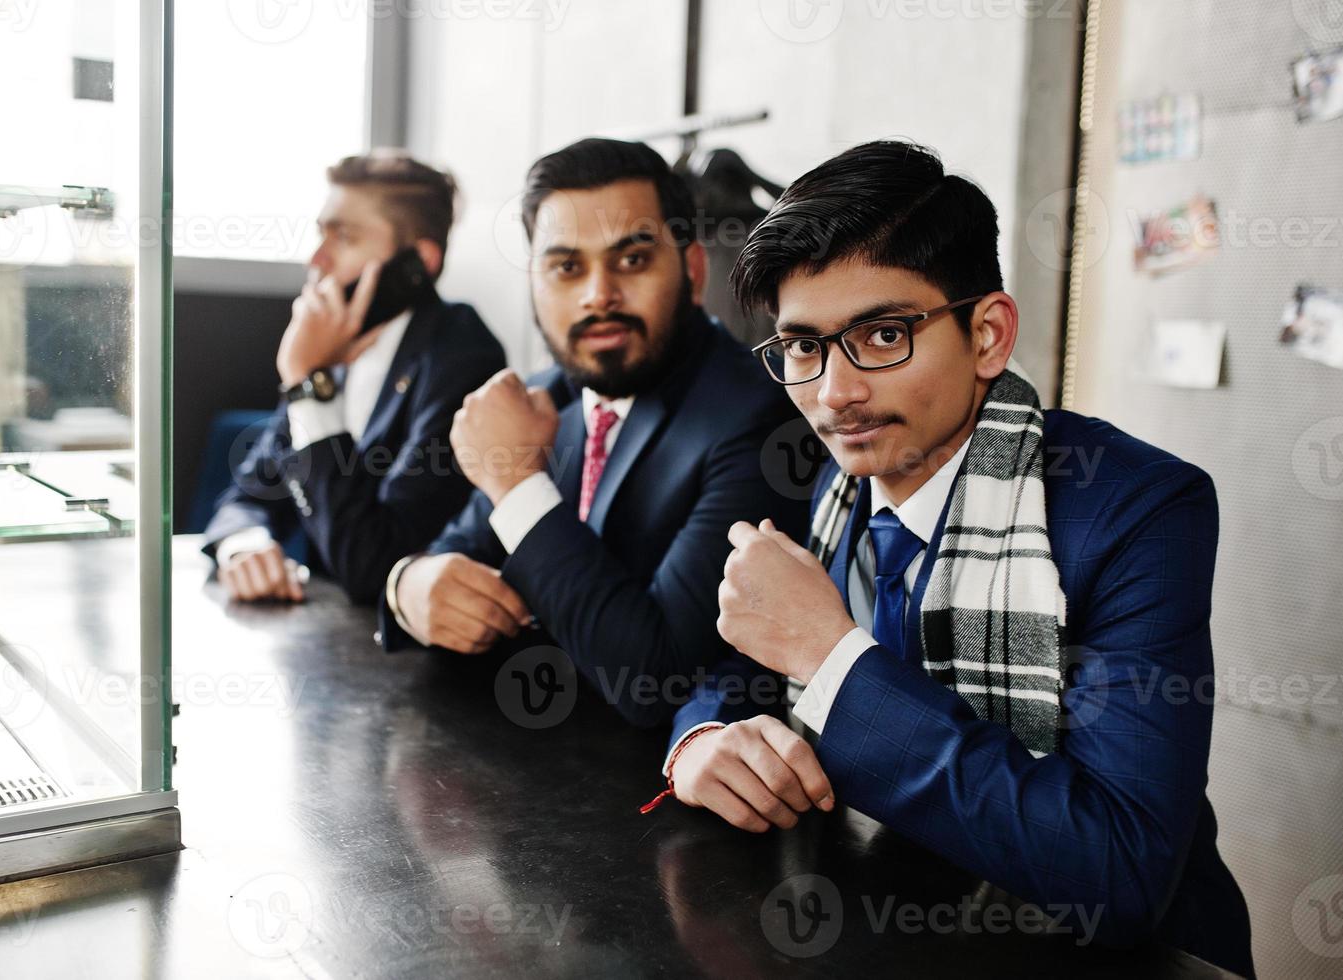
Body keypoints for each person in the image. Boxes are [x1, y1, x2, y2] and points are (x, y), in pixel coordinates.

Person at [655, 141, 1254, 976]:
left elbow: (1116, 871)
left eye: (884, 333)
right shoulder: (823, 474)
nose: (835, 393)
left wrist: (832, 660)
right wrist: (703, 737)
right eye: (802, 347)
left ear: (987, 334)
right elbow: (745, 653)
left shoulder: (1134, 511)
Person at [379, 138, 812, 727]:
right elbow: (460, 554)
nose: (598, 295)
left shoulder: (760, 416)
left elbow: (657, 678)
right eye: (566, 267)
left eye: (631, 260)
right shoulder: (546, 395)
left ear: (691, 270)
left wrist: (516, 485)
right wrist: (409, 588)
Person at [204, 151, 505, 605]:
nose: (317, 260)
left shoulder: (462, 357)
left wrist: (306, 385)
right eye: (319, 235)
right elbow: (246, 496)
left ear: (417, 263)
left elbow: (375, 563)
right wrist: (245, 547)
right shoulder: (335, 348)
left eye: (343, 237)